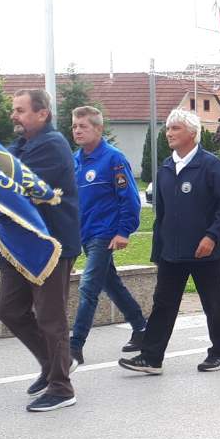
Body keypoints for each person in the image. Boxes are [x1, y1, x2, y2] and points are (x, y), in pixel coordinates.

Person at [119, 109, 220, 374]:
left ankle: (219, 352)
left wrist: (212, 236)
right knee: (163, 303)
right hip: (171, 252)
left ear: (193, 134)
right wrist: (158, 249)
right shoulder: (165, 167)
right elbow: (162, 214)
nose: (169, 133)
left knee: (212, 303)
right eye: (168, 129)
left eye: (176, 129)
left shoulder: (211, 165)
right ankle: (151, 357)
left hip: (205, 251)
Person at [0, 89, 81, 413]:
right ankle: (54, 362)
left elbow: (9, 181)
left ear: (42, 114)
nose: (13, 116)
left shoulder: (51, 146)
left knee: (51, 317)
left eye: (20, 110)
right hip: (20, 245)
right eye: (14, 109)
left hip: (50, 246)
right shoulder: (23, 144)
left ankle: (61, 387)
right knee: (9, 310)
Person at [69, 105, 146, 365]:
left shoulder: (113, 159)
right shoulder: (74, 160)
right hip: (83, 233)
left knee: (88, 287)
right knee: (109, 283)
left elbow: (130, 199)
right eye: (74, 126)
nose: (77, 131)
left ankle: (74, 346)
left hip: (103, 234)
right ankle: (141, 327)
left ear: (98, 129)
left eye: (83, 126)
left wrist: (124, 231)